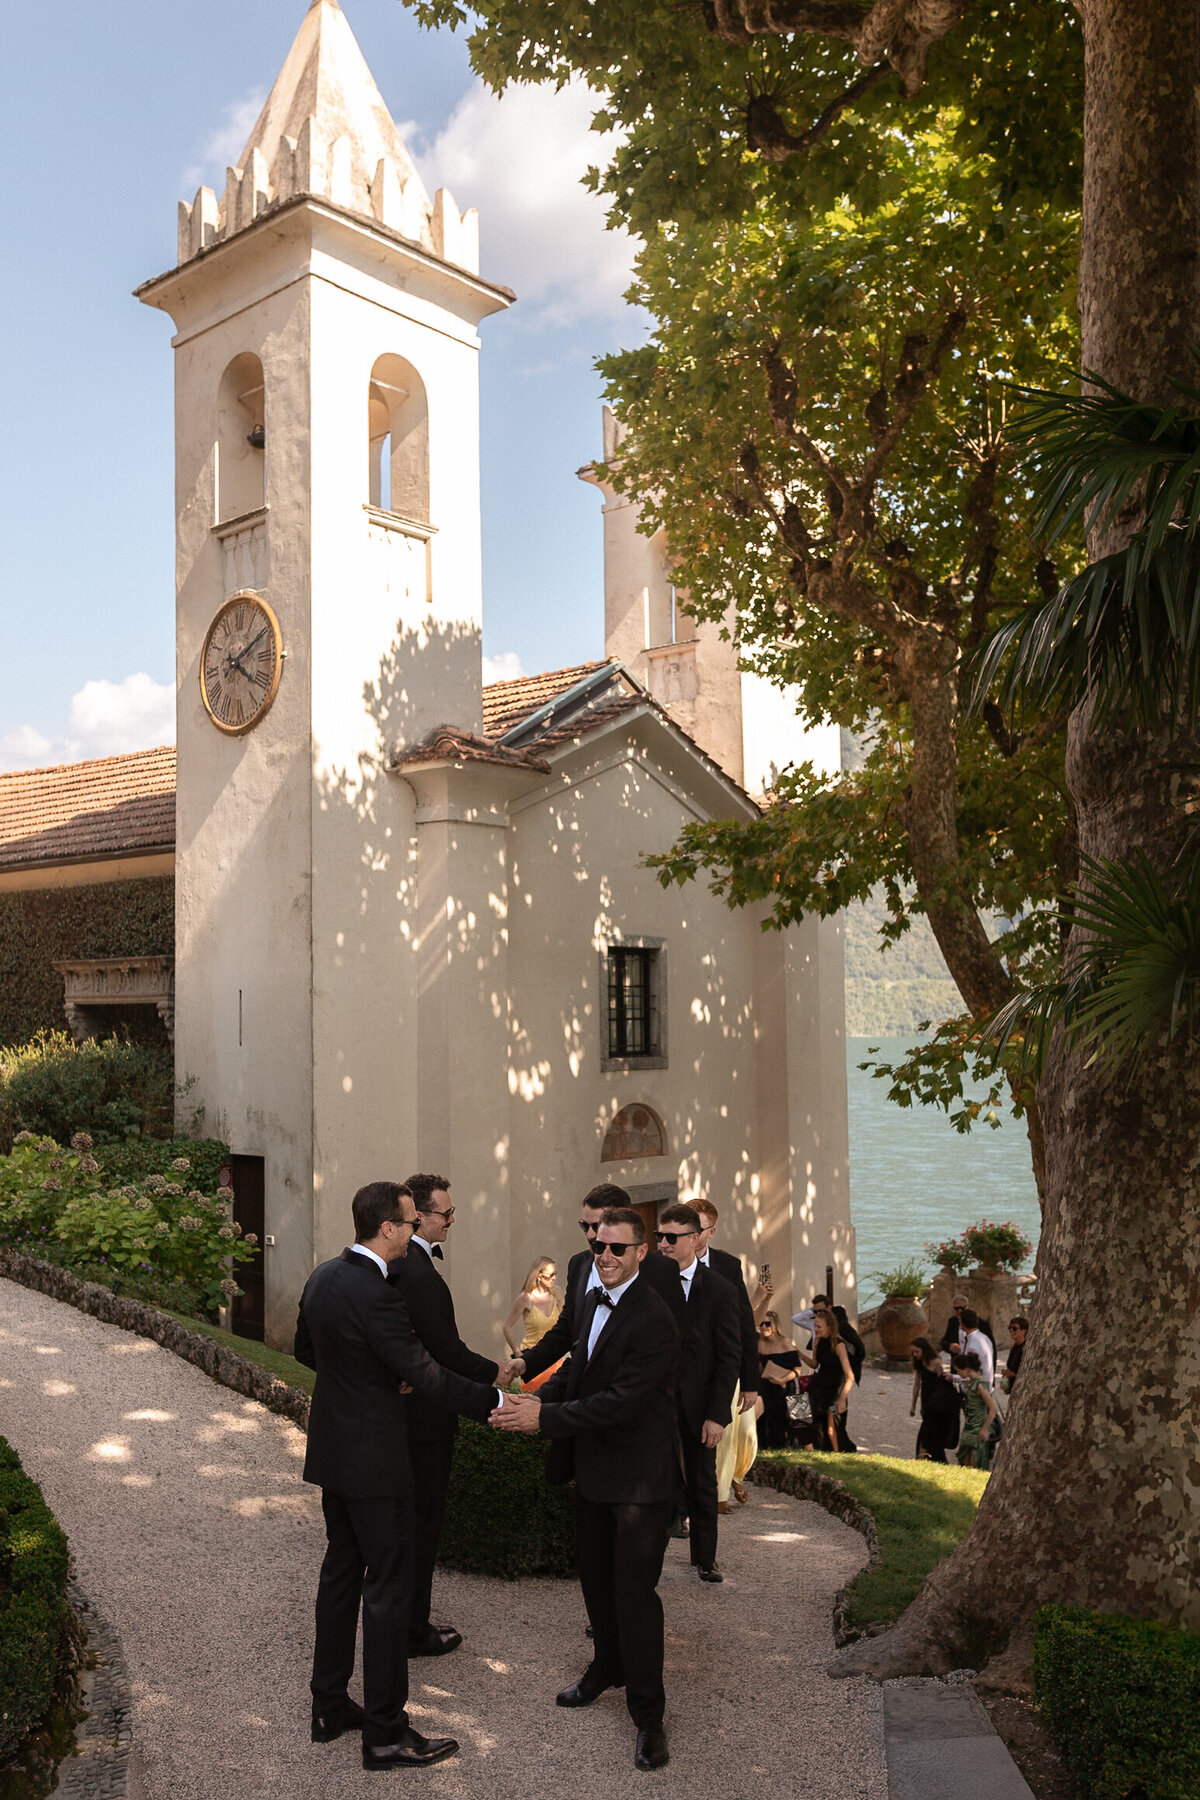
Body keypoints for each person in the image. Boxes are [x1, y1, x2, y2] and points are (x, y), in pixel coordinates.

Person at [293, 1180, 506, 1770]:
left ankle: (328, 1705)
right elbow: (428, 1375)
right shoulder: (378, 1293)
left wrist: (370, 1376)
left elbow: (306, 1351)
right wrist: (495, 1402)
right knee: (386, 1588)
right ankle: (385, 1732)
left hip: (333, 1453)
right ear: (386, 1227)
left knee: (340, 1573)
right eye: (411, 1223)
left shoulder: (322, 1278)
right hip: (378, 1462)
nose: (415, 1232)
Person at [490, 1206, 681, 1772]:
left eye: (618, 1249)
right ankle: (606, 1669)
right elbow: (581, 1368)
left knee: (634, 1595)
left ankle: (649, 1716)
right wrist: (540, 1398)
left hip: (640, 1481)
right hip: (593, 1469)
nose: (605, 1257)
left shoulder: (654, 1318)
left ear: (641, 1252)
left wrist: (544, 1422)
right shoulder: (593, 1294)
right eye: (599, 1247)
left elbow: (621, 1400)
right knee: (595, 1581)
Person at [387, 1172, 519, 1661]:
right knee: (421, 1524)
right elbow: (444, 1350)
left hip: (406, 1410)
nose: (452, 1220)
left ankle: (403, 1622)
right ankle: (411, 1630)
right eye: (446, 1213)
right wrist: (494, 1374)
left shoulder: (398, 1267)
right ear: (418, 1215)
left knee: (408, 1526)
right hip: (424, 1416)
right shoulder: (417, 1273)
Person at [512, 1185, 685, 1387]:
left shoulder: (661, 1272)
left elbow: (679, 1343)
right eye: (585, 1226)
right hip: (582, 1398)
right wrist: (526, 1363)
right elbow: (567, 1330)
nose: (591, 1235)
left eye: (598, 1225)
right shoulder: (578, 1265)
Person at [655, 1202, 741, 1581]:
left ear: (694, 1239)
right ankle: (647, 1567)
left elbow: (729, 1356)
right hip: (654, 1404)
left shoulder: (720, 1289)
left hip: (700, 1406)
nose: (663, 1244)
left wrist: (716, 1414)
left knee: (703, 1482)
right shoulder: (648, 1281)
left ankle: (705, 1558)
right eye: (659, 1236)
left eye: (671, 1238)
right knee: (653, 1483)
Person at [797, 1309, 854, 1451]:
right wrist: (799, 1354)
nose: (815, 1329)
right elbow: (815, 1364)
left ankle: (836, 1454)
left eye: (819, 1327)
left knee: (832, 1427)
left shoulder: (839, 1345)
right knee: (797, 1409)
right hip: (818, 1385)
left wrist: (842, 1399)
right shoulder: (818, 1340)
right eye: (814, 1326)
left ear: (829, 1327)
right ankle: (808, 1447)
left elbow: (849, 1376)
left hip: (835, 1391)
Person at [908, 1335, 960, 1462]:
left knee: (931, 1431)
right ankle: (924, 1456)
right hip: (926, 1400)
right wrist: (913, 1405)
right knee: (926, 1430)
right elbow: (917, 1384)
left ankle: (931, 1457)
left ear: (924, 1350)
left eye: (917, 1351)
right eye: (913, 1352)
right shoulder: (920, 1364)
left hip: (936, 1400)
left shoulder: (936, 1362)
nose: (915, 1355)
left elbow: (942, 1382)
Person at [756, 1311, 803, 1450]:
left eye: (767, 1324)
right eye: (761, 1324)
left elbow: (797, 1369)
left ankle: (786, 1446)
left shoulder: (785, 1343)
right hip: (765, 1386)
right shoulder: (759, 1343)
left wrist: (781, 1379)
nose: (764, 1327)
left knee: (785, 1420)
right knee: (764, 1420)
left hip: (784, 1387)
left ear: (775, 1325)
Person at [503, 1256, 562, 1357]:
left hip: (554, 1357)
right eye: (551, 1275)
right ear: (539, 1275)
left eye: (555, 1274)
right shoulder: (526, 1298)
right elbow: (507, 1327)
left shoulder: (557, 1295)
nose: (554, 1278)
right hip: (533, 1355)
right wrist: (516, 1351)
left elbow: (567, 1321)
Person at [953, 1349, 999, 1468]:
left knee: (975, 1460)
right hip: (970, 1425)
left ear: (967, 1370)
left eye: (959, 1371)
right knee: (965, 1458)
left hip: (977, 1427)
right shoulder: (973, 1382)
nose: (959, 1374)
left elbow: (993, 1409)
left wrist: (984, 1429)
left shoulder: (979, 1385)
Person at [959, 1307, 996, 1388]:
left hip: (979, 1390)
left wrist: (955, 1379)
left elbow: (972, 1375)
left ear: (962, 1323)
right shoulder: (984, 1337)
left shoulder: (973, 1346)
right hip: (986, 1385)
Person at [1002, 1316, 1029, 1394]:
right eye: (1009, 1328)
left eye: (1014, 1328)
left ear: (1023, 1331)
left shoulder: (1025, 1348)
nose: (1011, 1330)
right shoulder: (1014, 1347)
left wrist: (1012, 1374)